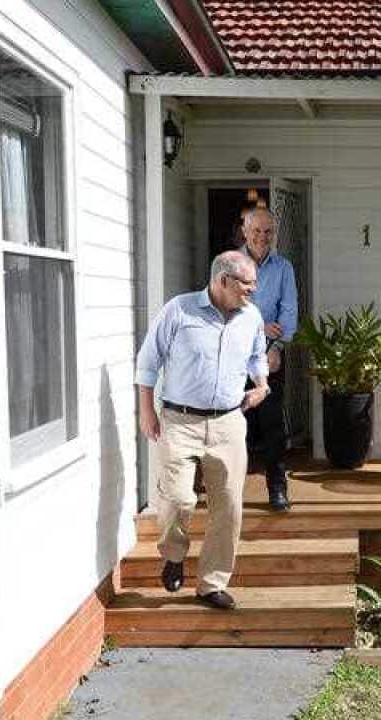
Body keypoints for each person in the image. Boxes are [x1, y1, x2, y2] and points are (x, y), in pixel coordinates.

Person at [135, 250, 269, 610]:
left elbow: (258, 356)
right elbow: (148, 363)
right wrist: (146, 411)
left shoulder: (251, 316)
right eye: (247, 284)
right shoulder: (178, 311)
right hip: (180, 421)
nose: (253, 290)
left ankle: (211, 584)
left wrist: (261, 384)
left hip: (229, 422)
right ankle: (174, 555)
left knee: (228, 507)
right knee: (178, 498)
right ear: (223, 280)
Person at [239, 204, 298, 511]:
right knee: (235, 425)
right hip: (233, 357)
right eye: (256, 231)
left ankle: (277, 489)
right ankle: (230, 492)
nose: (262, 237)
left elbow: (289, 313)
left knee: (273, 425)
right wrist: (260, 324)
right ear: (244, 231)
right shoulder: (228, 264)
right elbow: (223, 309)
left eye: (268, 231)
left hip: (269, 355)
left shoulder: (283, 268)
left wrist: (276, 347)